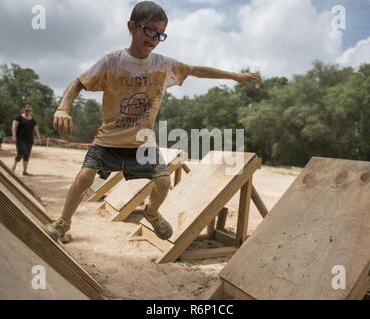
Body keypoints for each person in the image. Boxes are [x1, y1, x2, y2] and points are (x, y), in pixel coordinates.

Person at [44, 1, 262, 242]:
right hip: (108, 140)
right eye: (150, 30)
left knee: (164, 181)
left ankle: (152, 212)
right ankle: (64, 221)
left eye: (160, 34)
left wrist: (235, 76)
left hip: (141, 143)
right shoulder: (112, 62)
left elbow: (197, 71)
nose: (154, 38)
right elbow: (78, 83)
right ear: (132, 26)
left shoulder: (164, 65)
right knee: (85, 176)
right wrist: (63, 108)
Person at [12, 104, 42, 176]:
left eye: (29, 110)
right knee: (21, 153)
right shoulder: (19, 117)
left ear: (31, 111)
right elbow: (14, 126)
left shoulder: (32, 120)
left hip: (29, 140)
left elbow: (36, 130)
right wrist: (13, 135)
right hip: (20, 139)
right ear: (24, 110)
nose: (28, 111)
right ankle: (13, 167)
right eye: (27, 110)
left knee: (27, 155)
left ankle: (25, 171)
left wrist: (39, 138)